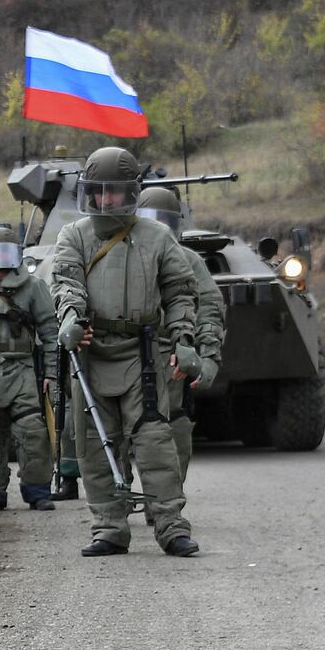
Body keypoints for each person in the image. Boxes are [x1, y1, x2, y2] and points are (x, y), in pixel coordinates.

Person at [50, 148, 200, 557]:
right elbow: (65, 280)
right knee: (95, 444)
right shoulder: (74, 236)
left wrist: (184, 340)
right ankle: (109, 527)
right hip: (89, 351)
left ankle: (170, 525)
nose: (106, 200)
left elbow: (181, 291)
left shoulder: (156, 237)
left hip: (143, 354)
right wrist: (71, 317)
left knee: (154, 440)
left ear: (131, 192)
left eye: (115, 192)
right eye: (98, 192)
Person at [137, 185, 226, 479]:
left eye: (165, 221)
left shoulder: (188, 260)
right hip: (123, 353)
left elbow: (210, 307)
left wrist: (209, 356)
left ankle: (165, 503)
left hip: (170, 353)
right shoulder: (121, 255)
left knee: (172, 424)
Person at [0, 225, 58, 512]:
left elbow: (50, 332)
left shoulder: (33, 287)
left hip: (22, 368)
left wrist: (52, 373)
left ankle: (37, 489)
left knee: (32, 430)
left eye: (5, 253)